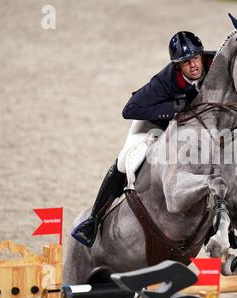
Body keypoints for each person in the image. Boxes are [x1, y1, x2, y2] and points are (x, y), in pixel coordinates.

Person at [72, 31, 215, 247]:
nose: (193, 65)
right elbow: (130, 109)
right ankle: (93, 220)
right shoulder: (164, 81)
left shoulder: (214, 62)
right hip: (154, 123)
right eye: (186, 62)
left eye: (195, 58)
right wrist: (176, 108)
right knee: (124, 161)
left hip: (191, 128)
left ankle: (228, 228)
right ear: (177, 66)